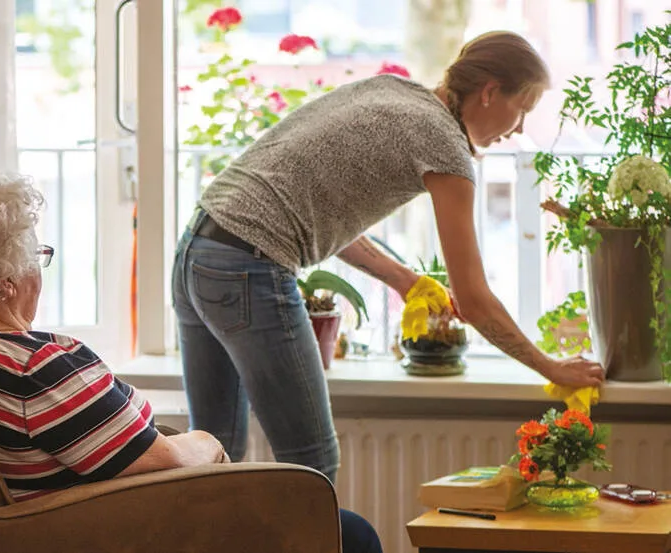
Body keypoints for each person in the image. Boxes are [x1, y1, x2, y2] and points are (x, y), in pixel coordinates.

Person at [171, 31, 605, 484]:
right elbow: (473, 300)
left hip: (197, 255)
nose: (518, 129)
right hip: (247, 266)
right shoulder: (447, 149)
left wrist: (405, 280)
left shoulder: (394, 92)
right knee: (310, 467)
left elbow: (315, 214)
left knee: (211, 456)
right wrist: (550, 366)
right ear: (491, 92)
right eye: (523, 109)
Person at [0, 170, 383, 553]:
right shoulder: (38, 365)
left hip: (42, 527)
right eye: (38, 256)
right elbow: (170, 465)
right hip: (113, 532)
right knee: (351, 531)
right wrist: (207, 441)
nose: (41, 271)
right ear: (8, 281)